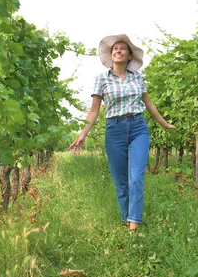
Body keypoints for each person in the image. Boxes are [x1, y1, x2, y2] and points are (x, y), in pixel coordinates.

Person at [68, 34, 175, 232]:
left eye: (122, 48)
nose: (118, 51)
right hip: (114, 130)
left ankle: (133, 224)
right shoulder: (101, 79)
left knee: (136, 176)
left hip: (138, 127)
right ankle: (126, 218)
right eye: (115, 48)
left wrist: (164, 123)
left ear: (129, 56)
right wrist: (83, 134)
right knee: (121, 181)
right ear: (111, 55)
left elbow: (148, 103)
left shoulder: (138, 78)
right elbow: (94, 111)